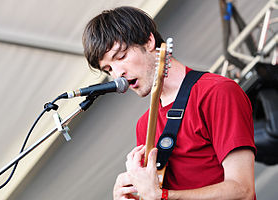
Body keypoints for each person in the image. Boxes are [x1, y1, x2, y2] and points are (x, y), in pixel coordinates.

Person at [82, 6, 256, 200]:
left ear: (149, 41)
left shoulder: (216, 92)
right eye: (108, 69)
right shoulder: (145, 125)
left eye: (121, 56)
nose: (117, 74)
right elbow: (154, 194)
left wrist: (162, 196)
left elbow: (243, 191)